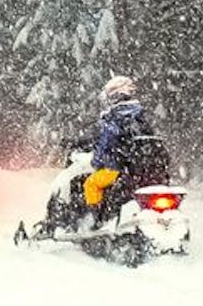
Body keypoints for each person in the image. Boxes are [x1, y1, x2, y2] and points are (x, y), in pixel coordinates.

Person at [42, 75, 171, 233]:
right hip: (146, 172)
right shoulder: (140, 116)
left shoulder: (115, 118)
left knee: (90, 183)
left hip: (119, 170)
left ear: (115, 96)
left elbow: (106, 145)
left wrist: (96, 161)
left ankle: (94, 221)